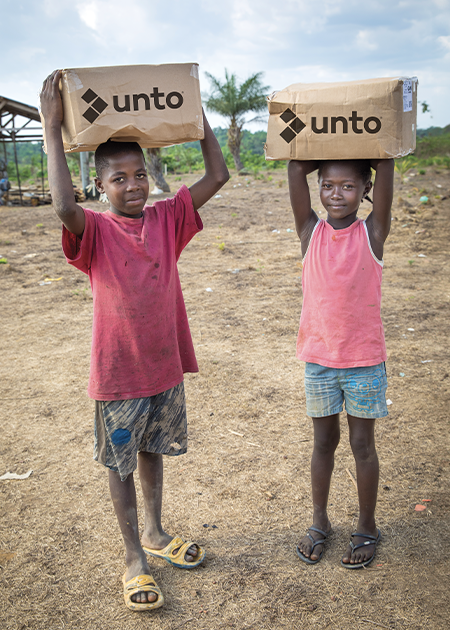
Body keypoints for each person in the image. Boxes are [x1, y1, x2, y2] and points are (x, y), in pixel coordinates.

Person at [40, 70, 229, 611]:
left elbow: (218, 173)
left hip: (163, 368)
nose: (133, 185)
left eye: (139, 174)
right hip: (119, 372)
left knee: (152, 452)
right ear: (101, 186)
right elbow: (61, 207)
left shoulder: (169, 218)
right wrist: (53, 129)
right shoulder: (93, 230)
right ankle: (133, 558)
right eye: (119, 178)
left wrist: (195, 119)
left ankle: (155, 532)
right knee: (119, 463)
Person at [288, 157, 394, 569]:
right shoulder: (308, 231)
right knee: (323, 443)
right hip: (319, 360)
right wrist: (326, 140)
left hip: (364, 361)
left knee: (362, 446)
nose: (336, 194)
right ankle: (320, 521)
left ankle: (367, 525)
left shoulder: (373, 232)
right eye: (328, 185)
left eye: (348, 186)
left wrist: (372, 148)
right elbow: (296, 168)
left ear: (365, 189)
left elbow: (385, 164)